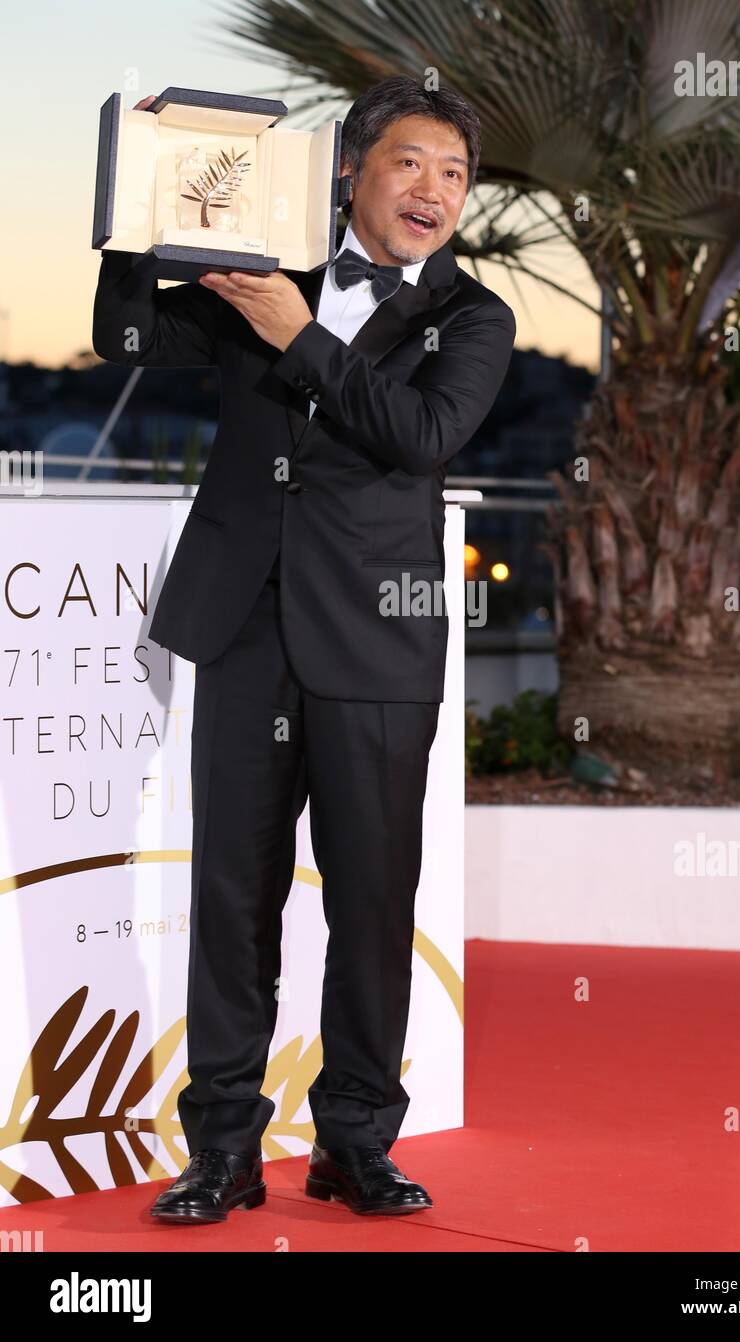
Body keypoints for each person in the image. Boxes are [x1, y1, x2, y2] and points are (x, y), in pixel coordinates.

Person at [92, 75, 516, 1221]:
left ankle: (355, 1143)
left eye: (454, 173)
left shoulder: (470, 318)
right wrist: (141, 213)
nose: (433, 190)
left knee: (372, 904)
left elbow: (418, 434)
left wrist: (300, 337)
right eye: (410, 164)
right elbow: (124, 333)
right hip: (239, 624)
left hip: (374, 640)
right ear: (349, 170)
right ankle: (221, 1150)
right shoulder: (258, 273)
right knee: (232, 898)